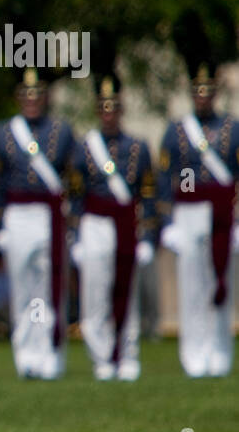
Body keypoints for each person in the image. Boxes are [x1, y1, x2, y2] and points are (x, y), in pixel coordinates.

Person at [70, 67, 158, 381]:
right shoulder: (83, 148)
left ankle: (127, 352)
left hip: (125, 223)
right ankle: (102, 356)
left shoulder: (138, 147)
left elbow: (148, 193)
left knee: (126, 291)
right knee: (95, 294)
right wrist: (75, 237)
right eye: (103, 108)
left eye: (114, 108)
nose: (109, 115)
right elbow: (76, 195)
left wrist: (147, 234)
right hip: (95, 223)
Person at [0, 67, 75, 379]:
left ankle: (50, 353)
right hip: (18, 215)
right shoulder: (3, 133)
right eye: (26, 95)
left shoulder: (62, 131)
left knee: (49, 288)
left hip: (49, 215)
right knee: (22, 288)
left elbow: (74, 178)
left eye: (37, 94)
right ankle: (26, 355)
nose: (32, 100)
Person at [158, 61, 237, 378]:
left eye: (208, 91)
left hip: (222, 211)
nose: (203, 97)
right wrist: (169, 222)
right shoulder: (177, 131)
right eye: (198, 91)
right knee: (191, 285)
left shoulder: (232, 128)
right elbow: (166, 177)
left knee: (220, 282)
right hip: (189, 209)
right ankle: (193, 352)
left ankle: (218, 349)